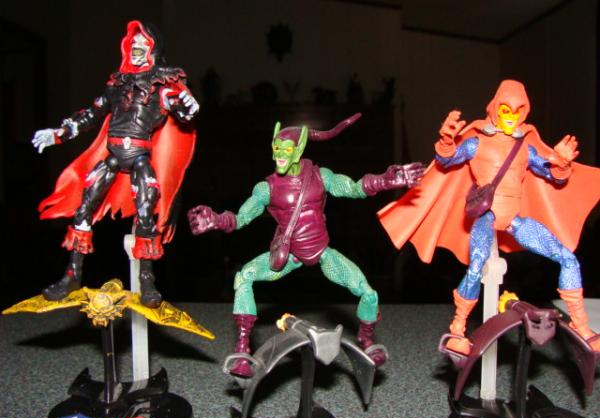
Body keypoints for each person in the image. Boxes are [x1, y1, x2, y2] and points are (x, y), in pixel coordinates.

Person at [188, 113, 424, 375]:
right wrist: (217, 220)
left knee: (368, 293)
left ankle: (366, 339)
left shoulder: (320, 176)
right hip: (288, 256)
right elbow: (241, 218)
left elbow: (354, 188)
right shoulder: (267, 188)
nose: (280, 154)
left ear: (298, 149)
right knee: (244, 277)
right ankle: (243, 348)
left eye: (286, 149)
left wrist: (386, 180)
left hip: (322, 253)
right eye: (277, 148)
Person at [378, 80, 600, 354]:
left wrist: (562, 165)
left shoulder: (524, 148)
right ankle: (458, 328)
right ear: (495, 108)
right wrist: (446, 141)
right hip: (486, 217)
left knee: (567, 258)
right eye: (506, 109)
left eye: (517, 111)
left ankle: (581, 325)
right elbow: (448, 160)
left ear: (524, 112)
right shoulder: (477, 143)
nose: (511, 116)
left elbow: (552, 175)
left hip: (516, 220)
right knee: (476, 265)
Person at [32, 20, 199, 307]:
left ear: (154, 49)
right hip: (112, 158)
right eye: (133, 42)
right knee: (84, 210)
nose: (137, 47)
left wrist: (188, 106)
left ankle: (147, 281)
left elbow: (180, 109)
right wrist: (58, 134)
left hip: (139, 158)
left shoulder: (161, 86)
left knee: (145, 215)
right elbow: (90, 115)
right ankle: (72, 275)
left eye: (143, 43)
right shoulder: (116, 86)